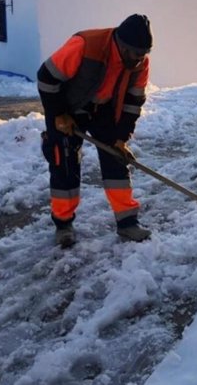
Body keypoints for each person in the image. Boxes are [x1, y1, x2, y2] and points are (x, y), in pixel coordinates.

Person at [37, 14, 153, 248]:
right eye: (135, 54)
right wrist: (59, 114)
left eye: (143, 54)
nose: (139, 60)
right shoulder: (86, 45)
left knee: (116, 158)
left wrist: (121, 137)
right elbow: (46, 77)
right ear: (121, 44)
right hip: (67, 107)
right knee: (65, 162)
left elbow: (133, 102)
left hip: (105, 109)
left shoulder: (139, 62)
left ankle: (127, 223)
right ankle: (63, 224)